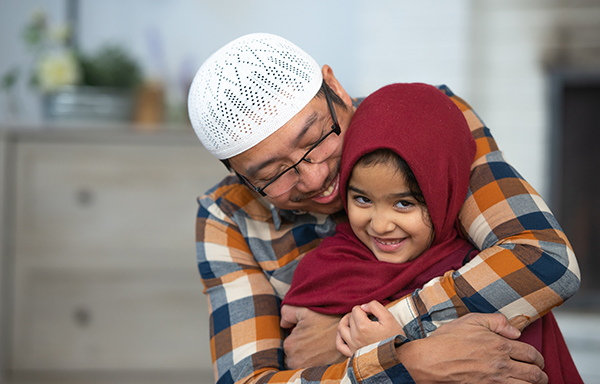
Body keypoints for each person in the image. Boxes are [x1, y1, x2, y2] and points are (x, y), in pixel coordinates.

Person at [187, 33, 580, 384]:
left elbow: (543, 259)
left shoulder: (420, 118)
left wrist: (365, 333)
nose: (315, 177)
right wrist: (409, 363)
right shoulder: (227, 216)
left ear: (335, 87)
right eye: (273, 174)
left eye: (315, 139)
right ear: (240, 176)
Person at [282, 82, 583, 383]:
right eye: (362, 199)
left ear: (444, 197)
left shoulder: (483, 275)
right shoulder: (325, 269)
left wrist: (395, 348)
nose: (380, 224)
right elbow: (301, 359)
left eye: (404, 203)